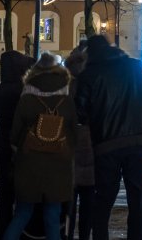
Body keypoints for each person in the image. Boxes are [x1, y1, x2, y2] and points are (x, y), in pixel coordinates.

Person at [75, 35, 142, 240]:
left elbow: (80, 111)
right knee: (138, 202)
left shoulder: (89, 74)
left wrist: (95, 118)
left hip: (105, 144)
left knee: (103, 202)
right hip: (139, 141)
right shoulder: (136, 67)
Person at [4, 53, 77, 240]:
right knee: (52, 215)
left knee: (22, 213)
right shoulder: (67, 97)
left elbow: (14, 135)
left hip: (29, 163)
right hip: (59, 163)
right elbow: (74, 132)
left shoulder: (26, 96)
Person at [0, 50, 34, 240]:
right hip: (22, 148)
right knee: (23, 195)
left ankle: (2, 232)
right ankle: (20, 232)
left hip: (2, 147)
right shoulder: (24, 91)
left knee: (5, 195)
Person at [64, 49, 95, 240]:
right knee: (88, 200)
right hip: (90, 144)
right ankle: (84, 235)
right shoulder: (94, 84)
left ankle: (67, 234)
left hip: (69, 145)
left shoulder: (64, 86)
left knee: (68, 200)